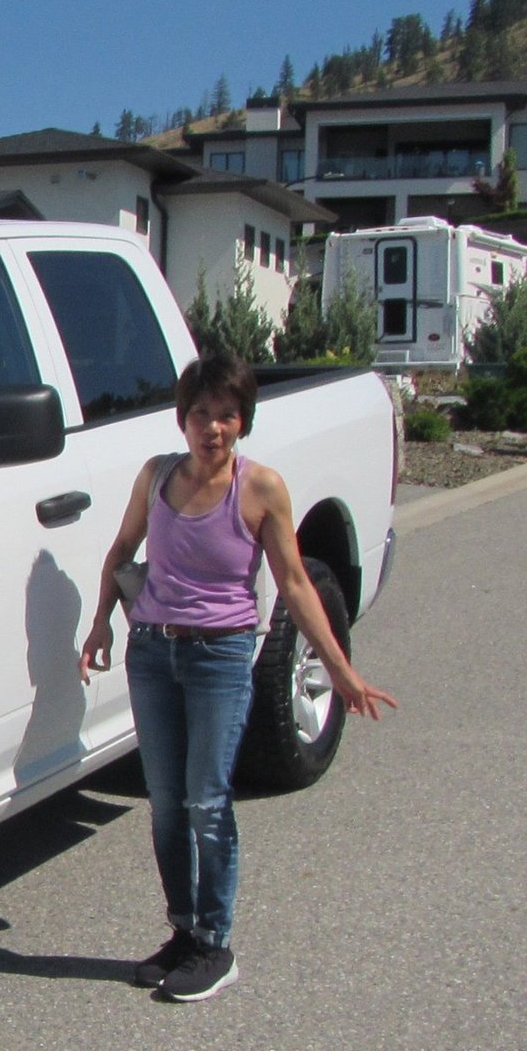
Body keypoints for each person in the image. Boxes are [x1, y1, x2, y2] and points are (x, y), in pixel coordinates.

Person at [78, 350, 396, 1001]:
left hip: (220, 658)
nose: (213, 428)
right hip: (153, 653)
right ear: (182, 419)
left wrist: (341, 670)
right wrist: (101, 622)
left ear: (243, 421)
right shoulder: (157, 476)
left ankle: (215, 945)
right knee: (166, 802)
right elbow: (122, 550)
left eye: (227, 415)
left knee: (207, 799)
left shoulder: (261, 489)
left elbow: (295, 584)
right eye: (201, 414)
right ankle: (184, 931)